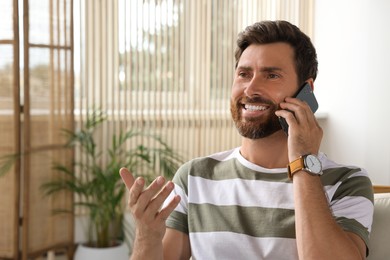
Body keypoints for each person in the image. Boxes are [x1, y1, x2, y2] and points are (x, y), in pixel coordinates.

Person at [120, 20, 374, 260]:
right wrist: (148, 234)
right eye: (244, 74)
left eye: (271, 75)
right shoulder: (194, 177)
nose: (250, 89)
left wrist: (304, 162)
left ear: (305, 91)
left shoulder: (347, 182)